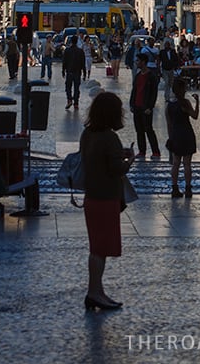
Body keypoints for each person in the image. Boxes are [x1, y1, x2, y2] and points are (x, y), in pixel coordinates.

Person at [80, 91, 134, 310]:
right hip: (106, 198)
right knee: (100, 249)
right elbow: (115, 169)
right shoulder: (110, 137)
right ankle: (94, 292)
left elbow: (96, 157)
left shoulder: (88, 134)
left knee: (97, 248)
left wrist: (117, 153)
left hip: (91, 196)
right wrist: (129, 159)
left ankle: (97, 290)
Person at [166, 77, 199, 198]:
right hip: (187, 134)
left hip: (176, 135)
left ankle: (174, 188)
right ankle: (188, 189)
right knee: (187, 164)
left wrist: (171, 138)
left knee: (175, 163)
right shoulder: (185, 103)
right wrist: (197, 103)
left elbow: (169, 124)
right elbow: (195, 116)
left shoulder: (169, 106)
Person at [129, 53, 161, 159]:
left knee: (148, 129)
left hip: (146, 107)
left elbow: (154, 93)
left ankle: (155, 151)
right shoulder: (138, 76)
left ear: (143, 62)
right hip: (137, 106)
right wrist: (132, 103)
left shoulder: (151, 76)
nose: (136, 62)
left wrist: (150, 107)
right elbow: (134, 90)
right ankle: (142, 151)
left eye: (138, 61)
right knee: (139, 130)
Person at [62, 35, 86, 110]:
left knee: (68, 87)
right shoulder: (80, 51)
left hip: (69, 72)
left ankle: (69, 99)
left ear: (71, 41)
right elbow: (83, 63)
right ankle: (76, 103)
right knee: (76, 88)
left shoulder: (67, 50)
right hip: (77, 72)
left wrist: (63, 70)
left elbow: (64, 61)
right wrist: (84, 73)